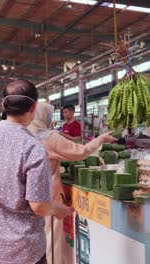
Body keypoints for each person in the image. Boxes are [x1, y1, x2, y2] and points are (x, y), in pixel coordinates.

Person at [0, 80, 74, 264]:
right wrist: (59, 210)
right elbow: (39, 206)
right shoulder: (33, 147)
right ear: (33, 107)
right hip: (24, 252)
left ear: (3, 105)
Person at [27, 102, 117, 264]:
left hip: (27, 199)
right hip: (48, 197)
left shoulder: (24, 135)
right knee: (50, 240)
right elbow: (80, 152)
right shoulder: (49, 138)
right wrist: (101, 139)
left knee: (36, 241)